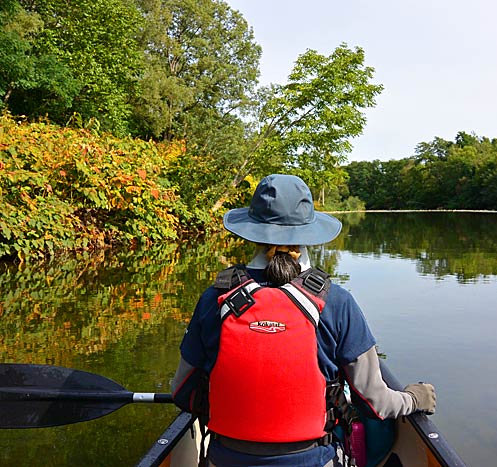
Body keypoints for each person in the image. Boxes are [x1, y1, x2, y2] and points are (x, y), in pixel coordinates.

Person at [171, 174, 436, 467]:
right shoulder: (337, 302)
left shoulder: (214, 299)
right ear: (309, 232)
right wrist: (414, 398)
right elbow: (376, 403)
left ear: (251, 232)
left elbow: (183, 391)